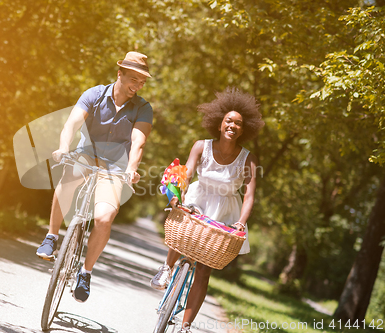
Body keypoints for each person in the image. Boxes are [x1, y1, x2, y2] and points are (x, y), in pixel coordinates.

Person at [36, 51, 153, 303]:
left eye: (142, 82)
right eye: (133, 78)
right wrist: (64, 147)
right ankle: (52, 236)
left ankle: (85, 273)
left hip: (115, 167)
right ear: (119, 73)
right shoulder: (94, 94)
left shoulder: (143, 108)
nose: (137, 85)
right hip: (86, 155)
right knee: (70, 175)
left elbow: (138, 142)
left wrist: (132, 167)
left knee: (103, 218)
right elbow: (72, 124)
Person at [150, 87, 264, 333]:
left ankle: (185, 327)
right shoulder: (202, 146)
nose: (232, 126)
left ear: (245, 130)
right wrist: (176, 194)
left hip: (225, 211)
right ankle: (167, 268)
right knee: (182, 232)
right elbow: (188, 172)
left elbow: (250, 195)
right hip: (197, 198)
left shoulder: (248, 159)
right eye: (228, 121)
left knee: (203, 270)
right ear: (219, 123)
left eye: (238, 124)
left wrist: (241, 223)